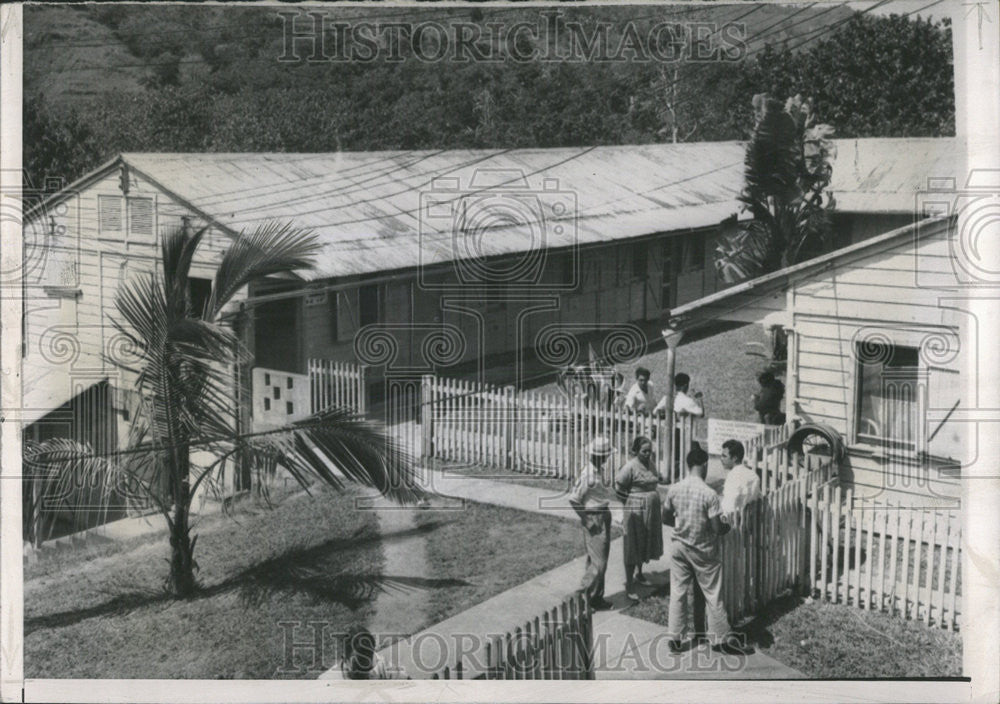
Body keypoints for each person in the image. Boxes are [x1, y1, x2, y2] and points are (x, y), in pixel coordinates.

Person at [662, 446, 752, 656]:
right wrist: (726, 526)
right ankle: (720, 639)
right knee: (713, 593)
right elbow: (716, 528)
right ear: (704, 465)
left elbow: (665, 518)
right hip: (702, 550)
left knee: (678, 591)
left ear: (687, 464)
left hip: (678, 547)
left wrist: (682, 521)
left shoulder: (674, 489)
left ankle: (675, 639)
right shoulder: (709, 494)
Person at [569, 436, 616, 611]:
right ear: (598, 455)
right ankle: (579, 598)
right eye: (606, 455)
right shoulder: (588, 474)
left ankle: (596, 598)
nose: (607, 458)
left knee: (597, 560)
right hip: (594, 517)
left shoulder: (597, 471)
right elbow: (574, 499)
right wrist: (587, 520)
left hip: (603, 514)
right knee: (599, 564)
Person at [615, 436, 664, 601]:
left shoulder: (650, 464)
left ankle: (640, 574)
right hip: (635, 509)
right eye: (644, 451)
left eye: (650, 451)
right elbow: (619, 488)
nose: (648, 454)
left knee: (643, 543)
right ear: (636, 451)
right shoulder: (630, 466)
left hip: (651, 510)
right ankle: (629, 584)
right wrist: (628, 504)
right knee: (632, 545)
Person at [719, 439, 762, 517]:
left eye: (724, 456)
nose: (721, 459)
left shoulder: (732, 476)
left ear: (734, 458)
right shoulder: (753, 475)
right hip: (750, 518)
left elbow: (729, 505)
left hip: (733, 519)